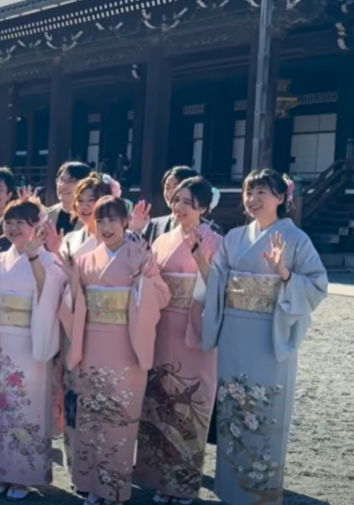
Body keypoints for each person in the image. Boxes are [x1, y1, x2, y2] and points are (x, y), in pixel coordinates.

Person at [201, 169, 327, 505]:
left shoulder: (296, 239)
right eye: (248, 192)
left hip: (270, 335)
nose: (253, 199)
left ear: (282, 197)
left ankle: (259, 494)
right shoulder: (234, 237)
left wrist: (285, 274)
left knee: (264, 407)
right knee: (231, 409)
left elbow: (317, 285)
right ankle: (230, 490)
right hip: (233, 332)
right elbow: (217, 283)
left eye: (262, 192)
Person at [59, 196, 170, 505]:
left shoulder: (140, 255)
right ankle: (93, 485)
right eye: (101, 220)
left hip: (126, 346)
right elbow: (73, 305)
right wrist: (71, 281)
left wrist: (137, 279)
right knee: (92, 418)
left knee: (119, 419)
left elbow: (162, 296)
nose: (106, 227)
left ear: (125, 222)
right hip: (92, 344)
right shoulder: (85, 259)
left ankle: (114, 489)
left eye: (112, 220)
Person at [0, 198, 66, 500]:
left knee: (26, 410)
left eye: (19, 222)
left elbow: (49, 295)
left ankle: (23, 477)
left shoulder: (49, 260)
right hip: (0, 343)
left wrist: (36, 258)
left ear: (35, 226)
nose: (12, 228)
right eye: (8, 222)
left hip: (30, 343)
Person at [135, 177, 223, 504]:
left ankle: (182, 484)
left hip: (194, 330)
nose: (180, 207)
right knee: (159, 402)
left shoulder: (215, 240)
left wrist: (201, 260)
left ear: (203, 206)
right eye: (176, 200)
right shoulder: (162, 240)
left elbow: (220, 290)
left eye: (188, 201)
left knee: (189, 407)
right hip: (162, 327)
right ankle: (157, 478)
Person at [47, 162, 92, 237]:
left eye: (71, 181)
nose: (63, 186)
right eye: (61, 180)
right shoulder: (46, 215)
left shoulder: (91, 217)